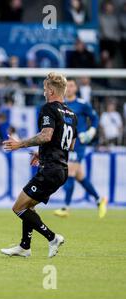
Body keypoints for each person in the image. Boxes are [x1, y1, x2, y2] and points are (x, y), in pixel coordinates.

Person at [1, 72, 78, 258]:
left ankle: (52, 238)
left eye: (45, 90)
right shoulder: (71, 114)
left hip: (51, 170)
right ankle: (24, 247)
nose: (44, 93)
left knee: (18, 207)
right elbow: (70, 144)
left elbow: (46, 136)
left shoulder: (48, 109)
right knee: (29, 206)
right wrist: (41, 153)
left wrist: (20, 144)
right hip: (61, 169)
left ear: (51, 91)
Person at [53, 79, 106, 219]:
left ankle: (66, 207)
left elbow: (94, 118)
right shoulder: (60, 104)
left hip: (79, 144)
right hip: (65, 144)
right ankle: (99, 200)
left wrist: (91, 132)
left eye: (71, 86)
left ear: (76, 88)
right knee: (79, 176)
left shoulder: (82, 104)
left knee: (69, 171)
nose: (69, 88)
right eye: (67, 86)